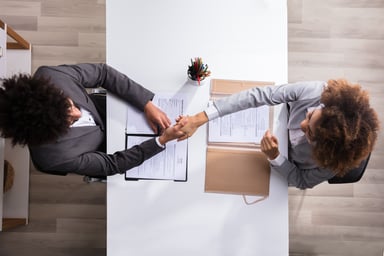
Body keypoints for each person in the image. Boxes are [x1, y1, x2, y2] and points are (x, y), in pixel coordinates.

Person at [177, 79, 380, 189]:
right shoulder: (316, 92)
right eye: (310, 115)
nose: (302, 123)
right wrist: (199, 119)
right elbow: (262, 95)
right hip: (273, 121)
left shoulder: (333, 163)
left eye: (309, 133)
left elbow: (302, 181)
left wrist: (276, 157)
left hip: (277, 166)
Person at [0, 63, 185, 177]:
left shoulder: (52, 76)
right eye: (70, 122)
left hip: (115, 109)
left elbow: (103, 73)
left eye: (69, 105)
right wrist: (161, 141)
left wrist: (146, 103)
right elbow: (112, 164)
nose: (78, 114)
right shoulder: (52, 157)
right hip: (111, 149)